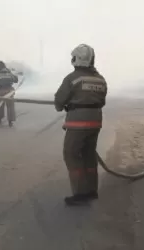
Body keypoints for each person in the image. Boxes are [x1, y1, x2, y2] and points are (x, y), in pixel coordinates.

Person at [54, 44, 108, 206]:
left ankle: (79, 193)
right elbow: (102, 101)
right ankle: (92, 190)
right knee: (89, 155)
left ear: (76, 58)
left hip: (78, 122)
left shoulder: (72, 78)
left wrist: (65, 105)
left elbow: (59, 101)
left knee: (71, 154)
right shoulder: (100, 79)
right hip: (95, 122)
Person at [0, 61, 19, 127]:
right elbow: (16, 80)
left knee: (0, 105)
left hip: (1, 91)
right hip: (9, 91)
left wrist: (1, 82)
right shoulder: (10, 73)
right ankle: (10, 121)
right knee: (10, 106)